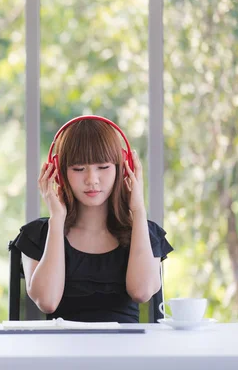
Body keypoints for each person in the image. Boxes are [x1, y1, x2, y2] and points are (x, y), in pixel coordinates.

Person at [13, 117, 173, 323]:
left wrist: (138, 210)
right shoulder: (38, 234)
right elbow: (47, 301)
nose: (92, 180)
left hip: (127, 352)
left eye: (103, 167)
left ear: (123, 168)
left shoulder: (143, 232)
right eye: (79, 169)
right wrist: (57, 219)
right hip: (61, 352)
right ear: (60, 173)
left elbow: (142, 292)